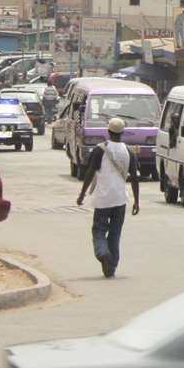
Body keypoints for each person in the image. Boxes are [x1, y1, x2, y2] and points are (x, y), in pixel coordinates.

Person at [76, 116, 140, 278]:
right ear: (122, 132)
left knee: (98, 230)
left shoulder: (100, 149)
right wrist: (136, 201)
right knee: (115, 233)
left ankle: (103, 253)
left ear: (108, 131)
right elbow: (134, 177)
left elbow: (90, 172)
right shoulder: (129, 152)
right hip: (120, 199)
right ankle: (111, 267)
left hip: (103, 198)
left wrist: (82, 194)